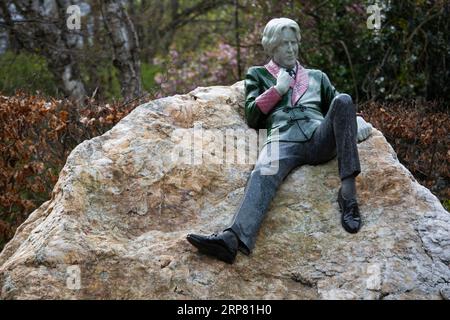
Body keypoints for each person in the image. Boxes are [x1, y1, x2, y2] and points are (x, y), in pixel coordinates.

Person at [186, 17, 372, 264]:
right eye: (284, 44)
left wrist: (355, 121)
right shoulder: (258, 74)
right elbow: (253, 116)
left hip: (318, 136)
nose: (291, 49)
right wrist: (277, 90)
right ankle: (232, 239)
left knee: (346, 99)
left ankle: (348, 197)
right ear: (272, 47)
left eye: (294, 43)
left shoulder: (317, 77)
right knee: (263, 171)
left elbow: (339, 105)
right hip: (282, 139)